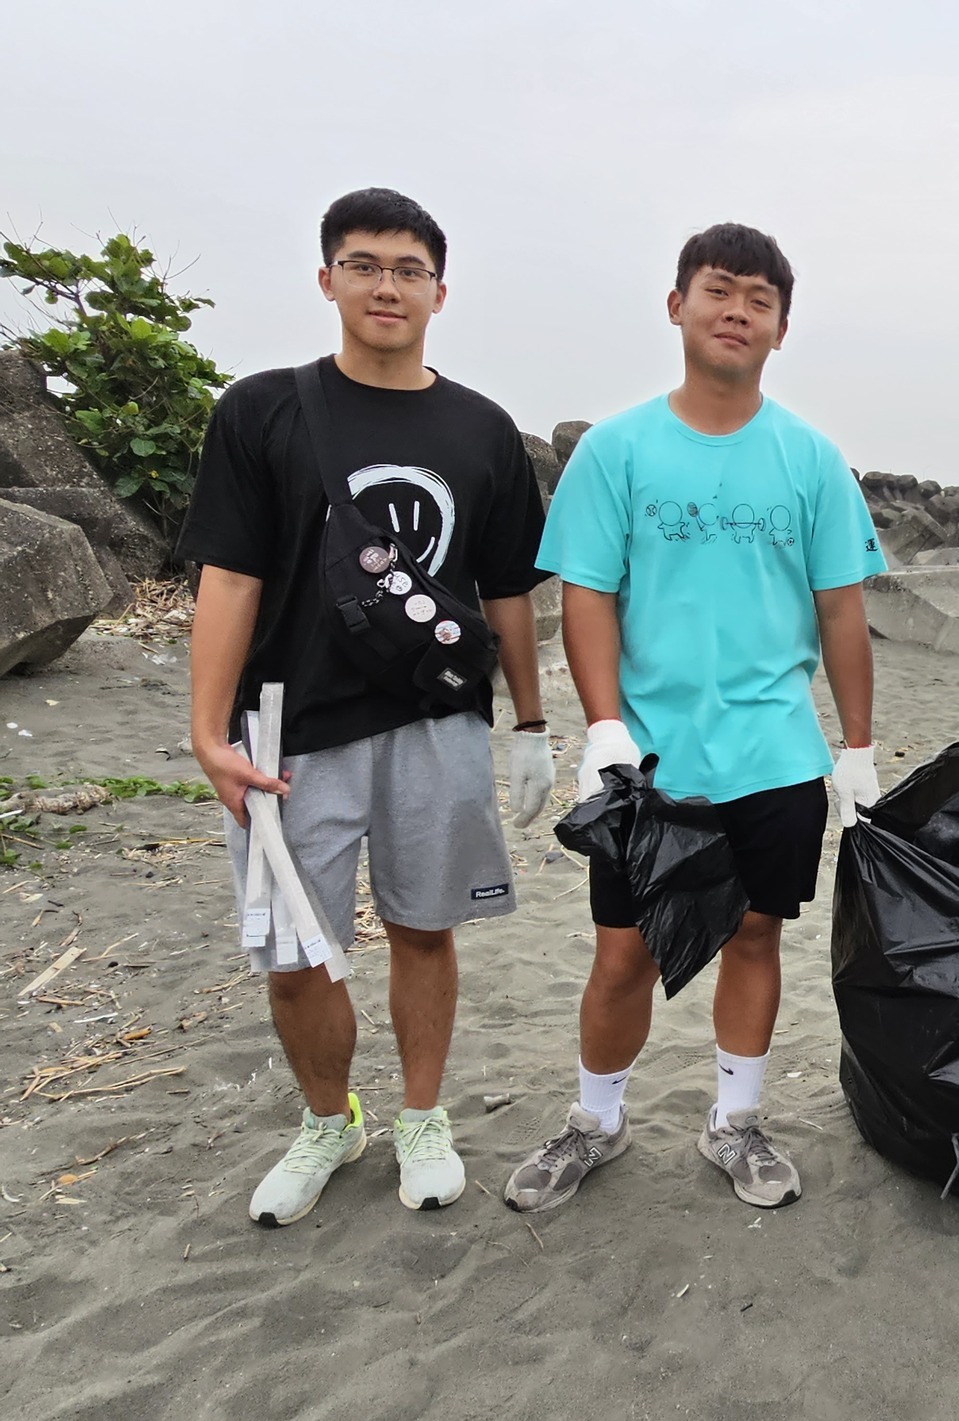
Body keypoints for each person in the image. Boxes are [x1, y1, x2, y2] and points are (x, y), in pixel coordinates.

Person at [179, 188, 554, 1226]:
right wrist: (206, 731)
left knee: (424, 929)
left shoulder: (481, 429)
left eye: (406, 269)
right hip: (287, 730)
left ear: (441, 288)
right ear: (326, 278)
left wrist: (529, 724)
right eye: (363, 264)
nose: (386, 285)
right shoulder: (263, 410)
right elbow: (231, 578)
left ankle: (420, 1117)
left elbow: (510, 590)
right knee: (295, 955)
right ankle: (329, 1119)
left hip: (436, 722)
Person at [505, 223, 885, 1215]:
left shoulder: (809, 458)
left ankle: (736, 1122)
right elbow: (587, 591)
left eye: (759, 300)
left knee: (755, 937)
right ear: (677, 304)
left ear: (781, 328)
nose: (737, 312)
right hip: (652, 760)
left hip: (772, 754)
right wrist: (602, 729)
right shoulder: (620, 450)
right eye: (719, 291)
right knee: (623, 950)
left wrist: (856, 747)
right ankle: (596, 1119)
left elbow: (843, 606)